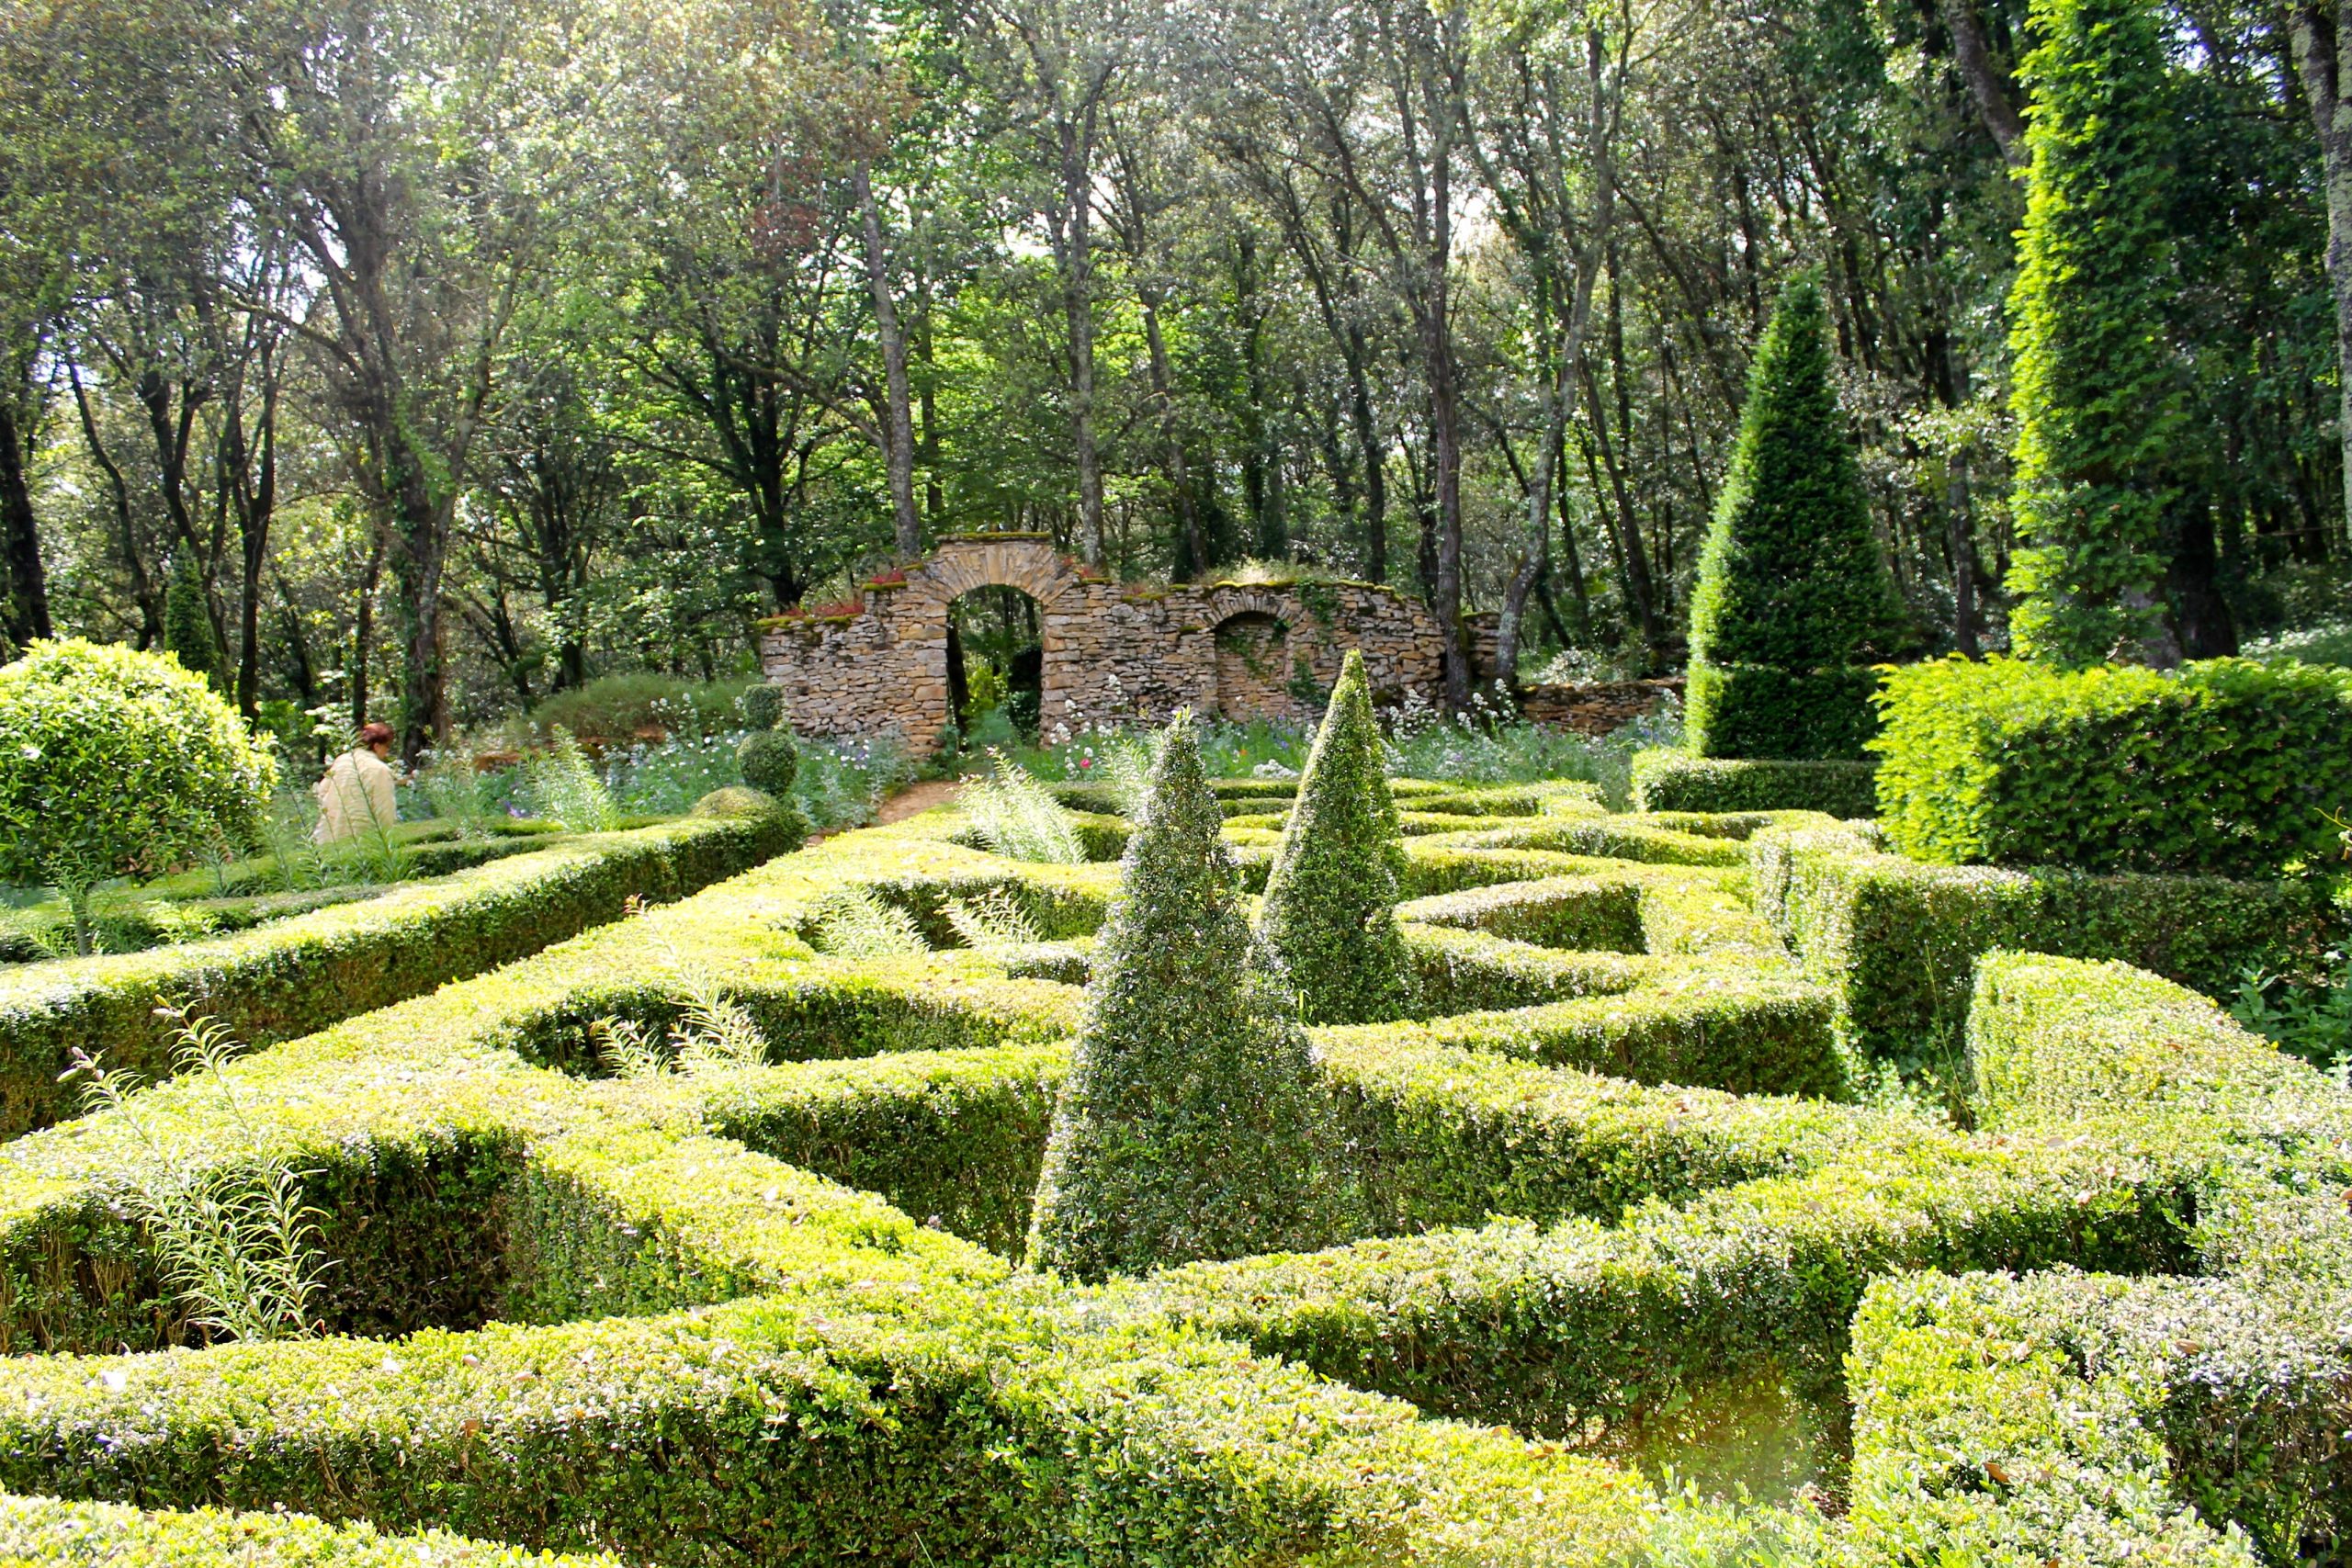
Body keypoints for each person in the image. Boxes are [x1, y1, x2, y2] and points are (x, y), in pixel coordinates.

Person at [314, 721, 400, 843]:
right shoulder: (380, 769)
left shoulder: (342, 760)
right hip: (361, 838)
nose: (387, 751)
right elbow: (385, 811)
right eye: (387, 746)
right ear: (377, 746)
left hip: (329, 835)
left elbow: (321, 791)